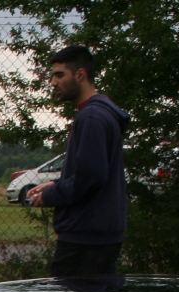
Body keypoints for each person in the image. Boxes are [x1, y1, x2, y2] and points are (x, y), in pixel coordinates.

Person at [28, 45, 132, 277]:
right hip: (97, 235)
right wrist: (56, 184)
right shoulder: (99, 113)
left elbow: (91, 178)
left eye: (60, 74)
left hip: (86, 239)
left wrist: (50, 196)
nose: (53, 82)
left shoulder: (92, 117)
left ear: (81, 75)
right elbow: (91, 171)